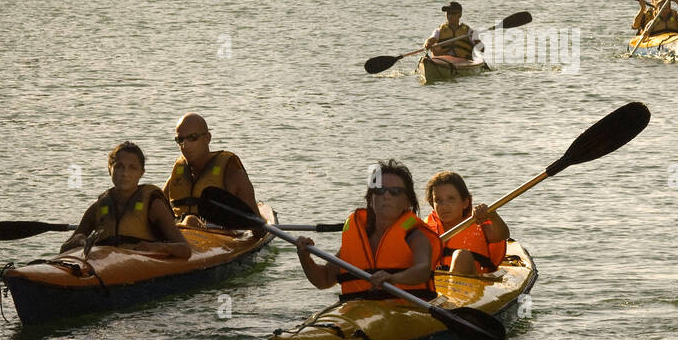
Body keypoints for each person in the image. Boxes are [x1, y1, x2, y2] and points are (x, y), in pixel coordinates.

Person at [294, 161, 440, 301]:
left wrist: (393, 278)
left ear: (408, 202)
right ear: (370, 199)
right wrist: (305, 257)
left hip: (406, 312)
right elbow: (324, 280)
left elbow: (423, 270)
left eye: (395, 192)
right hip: (360, 313)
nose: (386, 196)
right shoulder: (359, 239)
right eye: (380, 190)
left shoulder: (416, 236)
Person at [60, 141, 190, 257]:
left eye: (132, 168)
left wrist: (159, 247)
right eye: (119, 166)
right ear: (109, 169)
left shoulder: (153, 205)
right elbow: (63, 249)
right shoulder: (97, 208)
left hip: (141, 267)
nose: (124, 173)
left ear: (141, 173)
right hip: (105, 267)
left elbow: (185, 250)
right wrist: (77, 240)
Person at [164, 113, 259, 227]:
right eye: (180, 139)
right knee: (189, 221)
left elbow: (257, 228)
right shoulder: (177, 177)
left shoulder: (233, 174)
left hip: (218, 236)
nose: (185, 145)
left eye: (192, 138)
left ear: (208, 138)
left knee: (190, 221)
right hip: (181, 233)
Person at [424, 171, 510, 275]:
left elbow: (503, 234)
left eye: (451, 199)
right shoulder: (425, 228)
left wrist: (492, 215)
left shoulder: (478, 223)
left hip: (470, 284)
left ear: (465, 202)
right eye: (438, 200)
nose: (444, 206)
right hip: (436, 284)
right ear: (432, 204)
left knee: (462, 256)